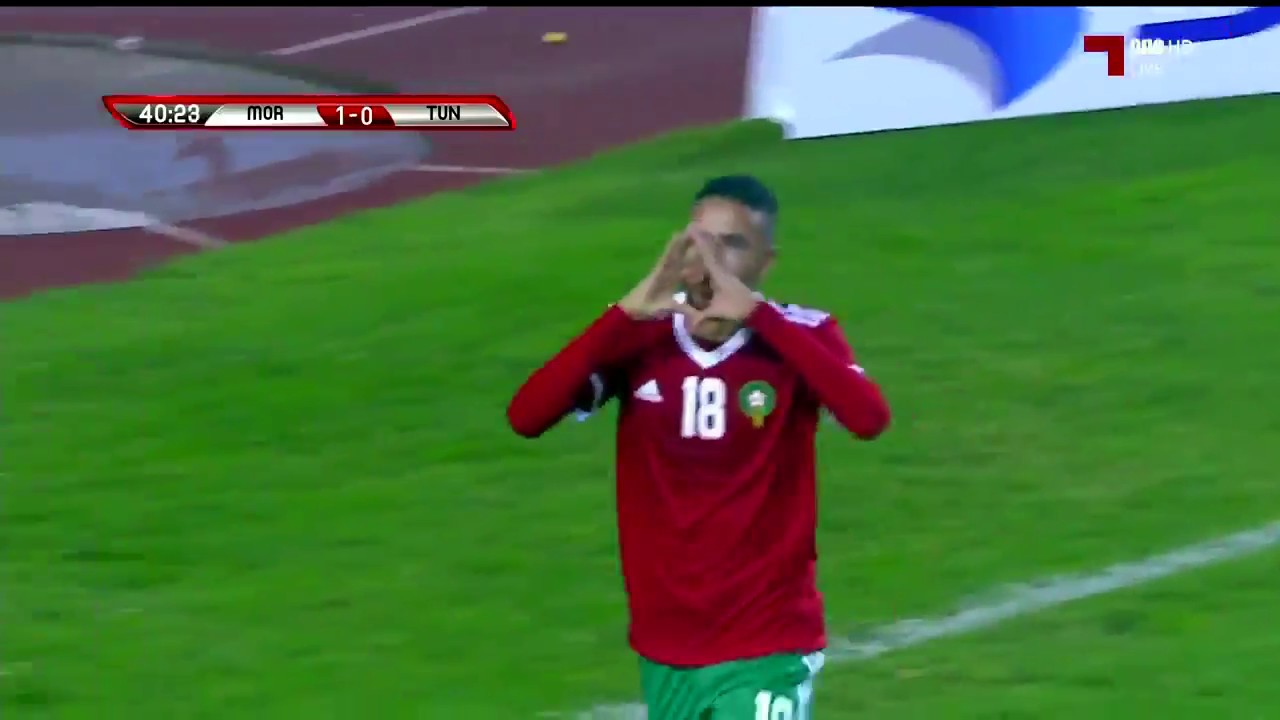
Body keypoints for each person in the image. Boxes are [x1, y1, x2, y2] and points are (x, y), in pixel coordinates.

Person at [506, 175, 891, 720]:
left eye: (731, 244)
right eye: (699, 241)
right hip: (667, 643)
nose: (710, 259)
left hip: (768, 637)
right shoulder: (641, 337)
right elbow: (526, 417)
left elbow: (869, 418)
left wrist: (760, 318)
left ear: (766, 262)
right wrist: (622, 314)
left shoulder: (804, 333)